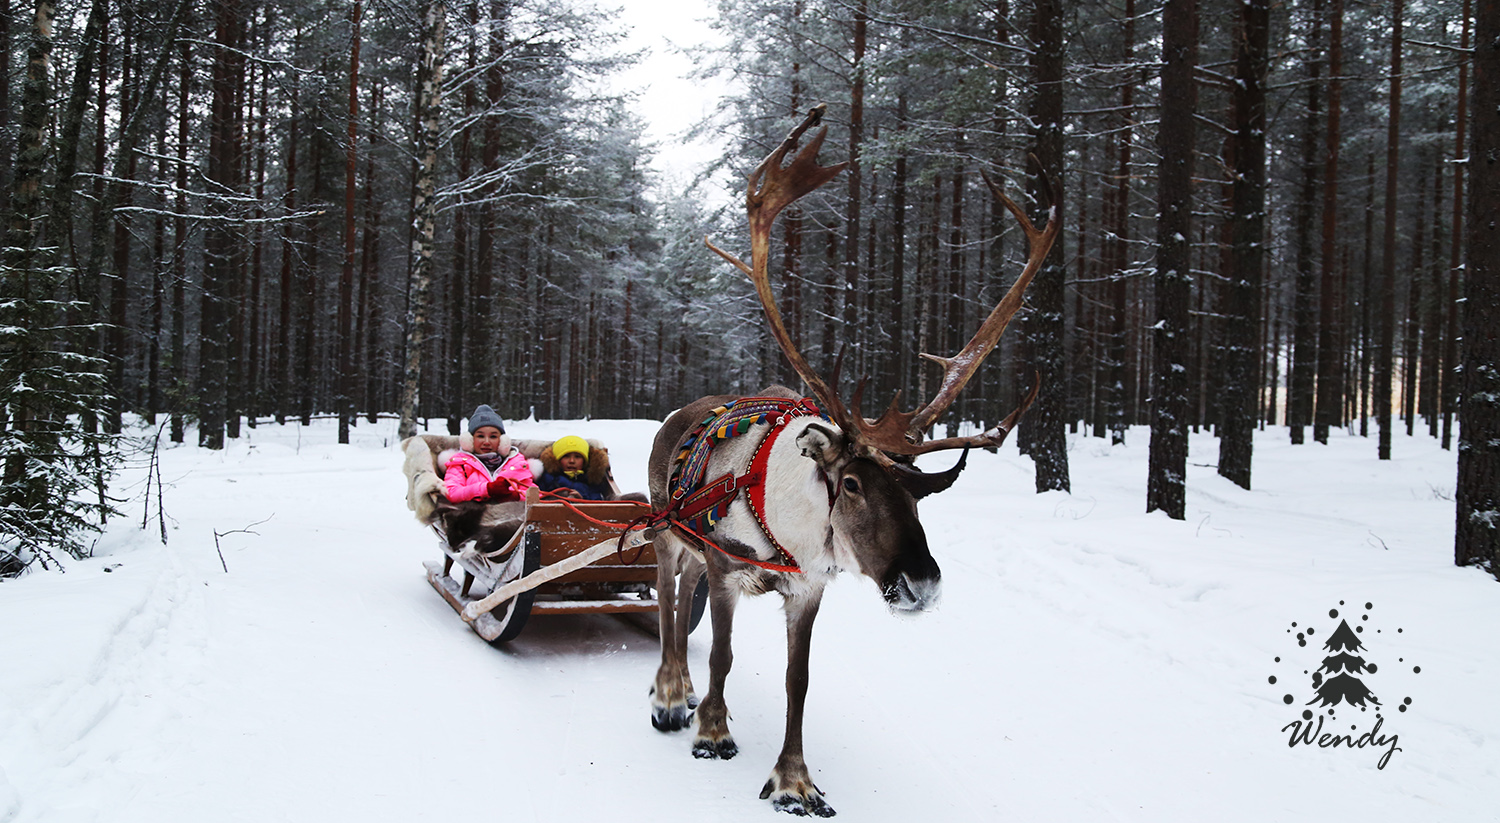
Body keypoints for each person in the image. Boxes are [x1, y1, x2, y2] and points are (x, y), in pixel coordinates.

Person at [442, 404, 536, 504]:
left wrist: (515, 496)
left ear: (502, 440)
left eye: (493, 437)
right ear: (470, 440)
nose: (486, 442)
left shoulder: (516, 463)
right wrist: (487, 489)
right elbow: (451, 493)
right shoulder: (459, 464)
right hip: (474, 518)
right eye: (480, 436)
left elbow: (536, 495)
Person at [535, 435, 612, 501]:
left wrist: (582, 499)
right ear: (557, 460)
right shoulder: (547, 478)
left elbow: (597, 502)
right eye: (566, 456)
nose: (572, 461)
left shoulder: (592, 480)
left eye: (577, 457)